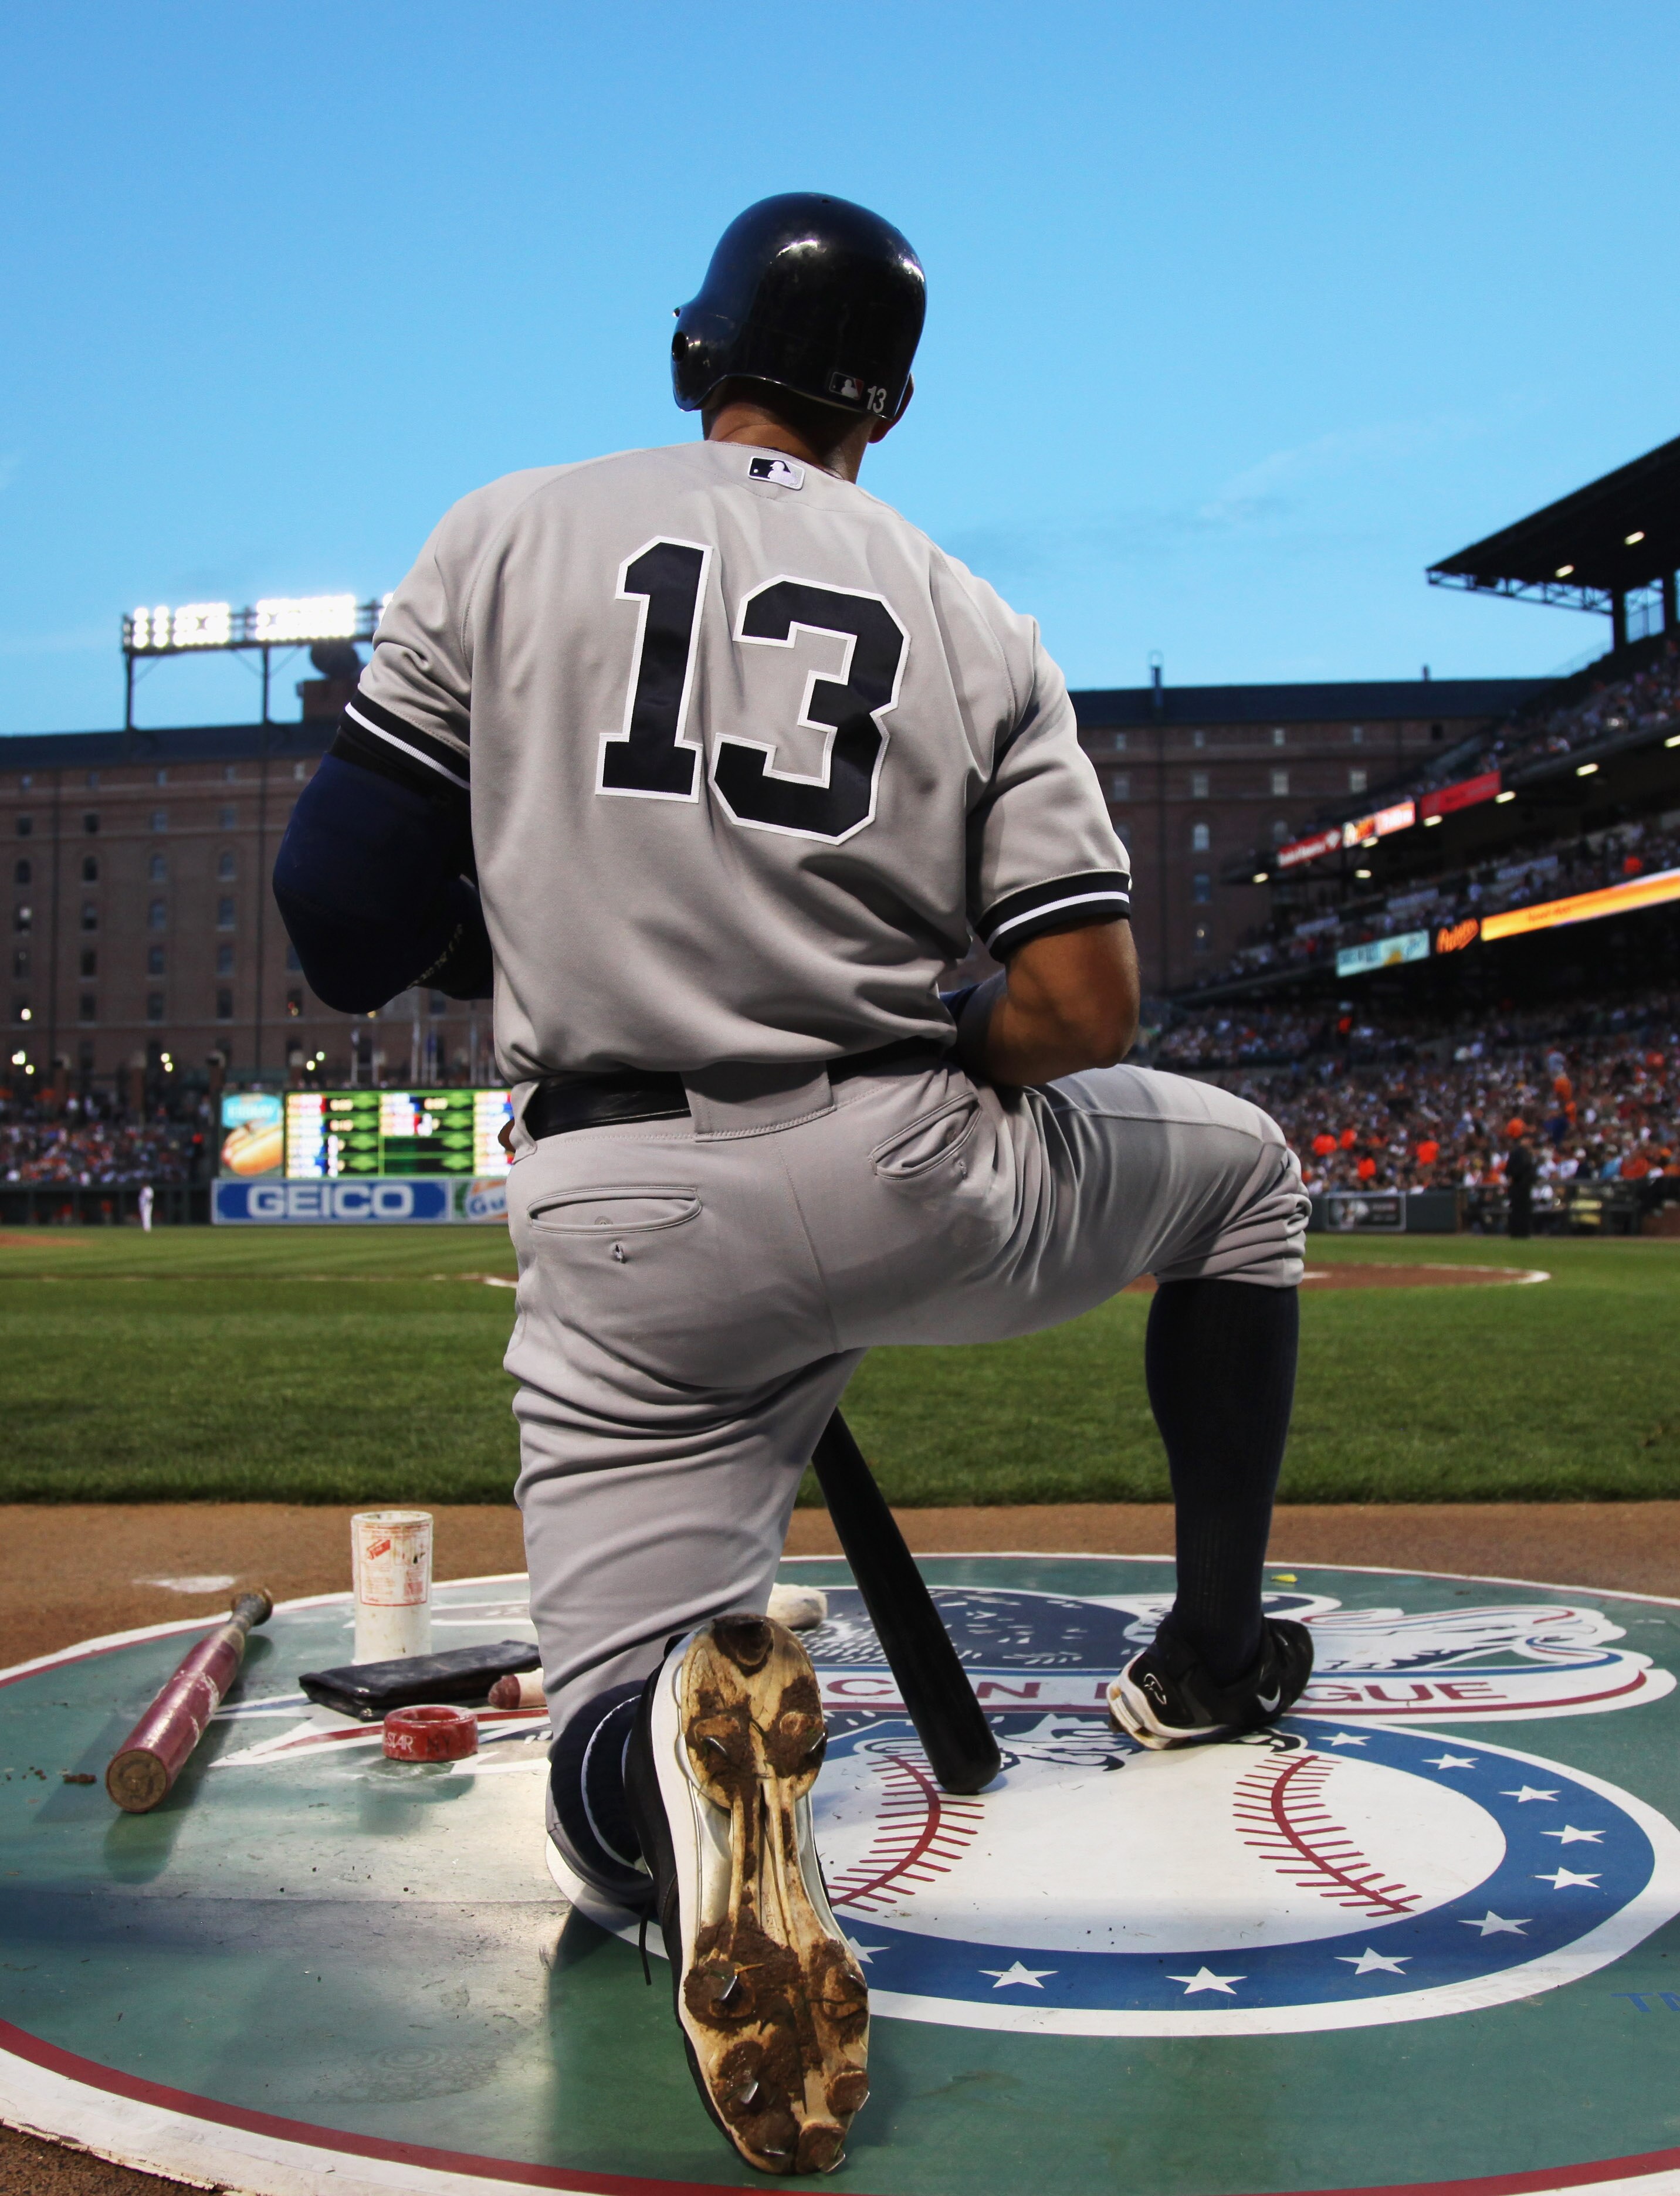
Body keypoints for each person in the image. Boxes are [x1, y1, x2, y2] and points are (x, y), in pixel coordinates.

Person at [272, 192, 1311, 2175]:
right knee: (1245, 1176)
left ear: (696, 355)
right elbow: (1085, 1000)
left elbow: (338, 917)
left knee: (610, 1800)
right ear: (886, 411)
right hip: (913, 1169)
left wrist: (569, 935)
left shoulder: (507, 527)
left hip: (624, 1208)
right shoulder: (970, 611)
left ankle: (657, 1780)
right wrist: (950, 1051)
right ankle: (1206, 1661)